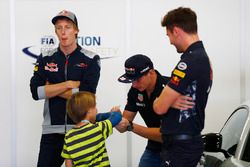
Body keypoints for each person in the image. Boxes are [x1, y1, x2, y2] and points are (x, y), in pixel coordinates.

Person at [30, 10, 101, 167]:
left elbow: (87, 97)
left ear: (76, 30)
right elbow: (36, 92)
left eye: (68, 27)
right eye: (59, 27)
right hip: (51, 132)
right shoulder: (45, 57)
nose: (63, 32)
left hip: (80, 129)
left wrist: (51, 88)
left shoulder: (91, 59)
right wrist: (68, 84)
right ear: (55, 31)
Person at [153, 7, 213, 167]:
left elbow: (159, 107)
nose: (170, 41)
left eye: (169, 35)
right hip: (185, 145)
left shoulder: (190, 62)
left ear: (177, 31)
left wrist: (161, 100)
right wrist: (167, 100)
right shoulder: (202, 57)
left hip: (181, 148)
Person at [116, 54, 194, 167]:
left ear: (151, 73)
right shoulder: (135, 91)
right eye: (132, 80)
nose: (134, 85)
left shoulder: (172, 90)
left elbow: (165, 135)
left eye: (137, 79)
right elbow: (124, 125)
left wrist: (130, 126)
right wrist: (118, 120)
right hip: (154, 148)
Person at [61, 91, 122, 167]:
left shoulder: (68, 136)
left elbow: (68, 163)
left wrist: (94, 117)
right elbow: (117, 117)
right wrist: (113, 112)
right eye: (95, 107)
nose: (96, 110)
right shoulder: (98, 128)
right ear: (89, 111)